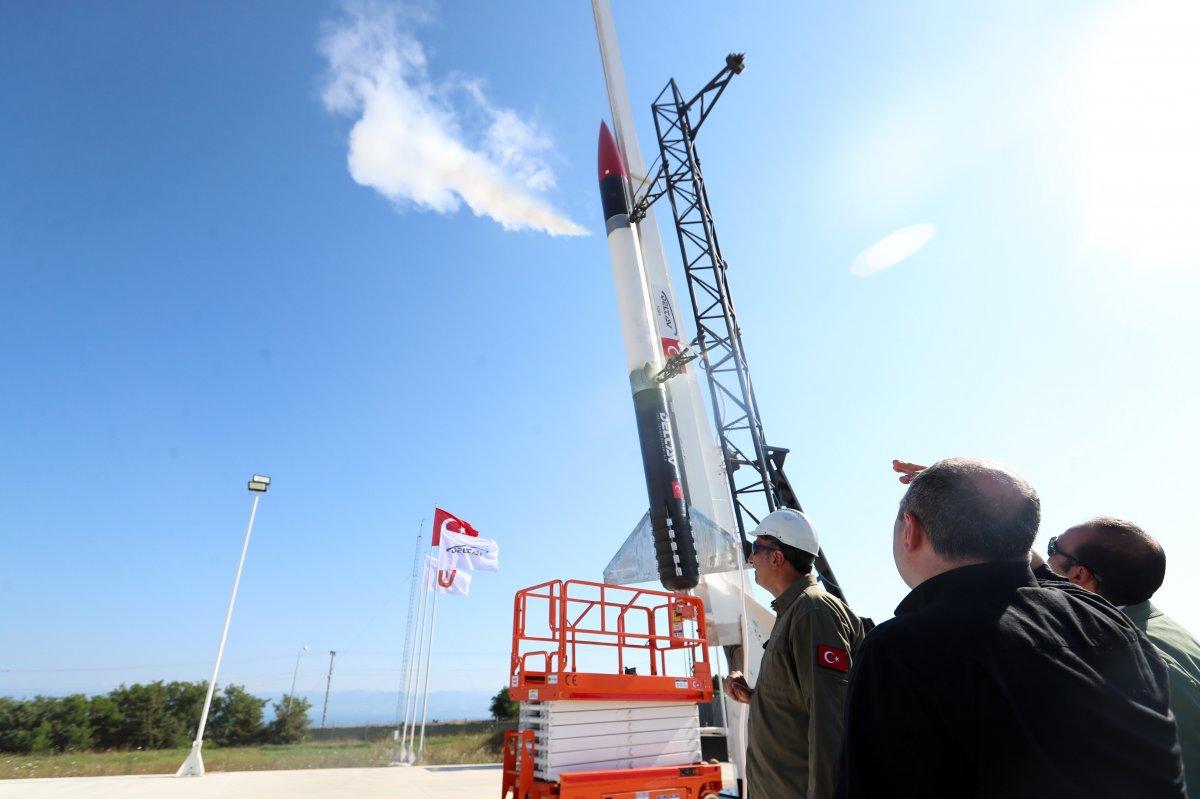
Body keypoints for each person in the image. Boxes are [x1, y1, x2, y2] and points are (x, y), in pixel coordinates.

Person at [836, 458, 1185, 798]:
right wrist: (959, 499)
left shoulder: (900, 651)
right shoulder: (1106, 618)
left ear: (909, 530)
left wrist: (950, 499)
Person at [1047, 517, 1200, 790]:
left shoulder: (1142, 669)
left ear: (1079, 575)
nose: (1047, 560)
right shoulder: (1156, 626)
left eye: (1052, 548)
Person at [722, 508, 863, 799]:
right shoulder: (794, 613)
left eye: (755, 549)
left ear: (776, 557)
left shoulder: (812, 612)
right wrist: (756, 696)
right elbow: (801, 698)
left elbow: (829, 720)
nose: (750, 559)